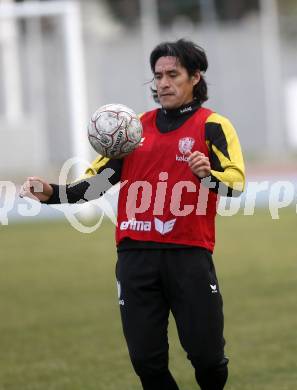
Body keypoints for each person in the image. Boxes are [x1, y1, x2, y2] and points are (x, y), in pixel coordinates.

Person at [20, 39, 245, 390]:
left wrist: (208, 175)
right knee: (146, 362)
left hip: (189, 256)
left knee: (207, 358)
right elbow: (96, 183)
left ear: (195, 77)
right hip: (135, 257)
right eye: (158, 76)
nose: (163, 83)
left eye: (173, 74)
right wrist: (52, 193)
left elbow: (236, 184)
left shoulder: (213, 126)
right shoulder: (133, 129)